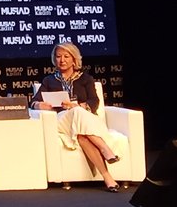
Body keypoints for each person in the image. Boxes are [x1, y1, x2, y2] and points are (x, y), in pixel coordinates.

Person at [33, 39, 123, 190]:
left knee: (82, 135)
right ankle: (104, 148)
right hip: (61, 120)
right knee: (76, 111)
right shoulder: (49, 80)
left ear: (74, 59)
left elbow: (94, 101)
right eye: (58, 56)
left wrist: (77, 106)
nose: (62, 60)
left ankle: (108, 178)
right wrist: (39, 105)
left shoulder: (86, 79)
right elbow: (34, 102)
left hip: (83, 121)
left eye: (66, 56)